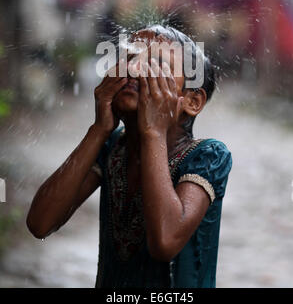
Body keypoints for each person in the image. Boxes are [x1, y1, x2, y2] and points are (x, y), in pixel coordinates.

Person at [26, 24, 232, 288]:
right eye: (129, 57)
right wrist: (99, 129)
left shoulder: (206, 156)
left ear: (191, 102)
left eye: (156, 66)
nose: (133, 70)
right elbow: (40, 223)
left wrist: (153, 132)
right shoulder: (114, 146)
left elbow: (165, 242)